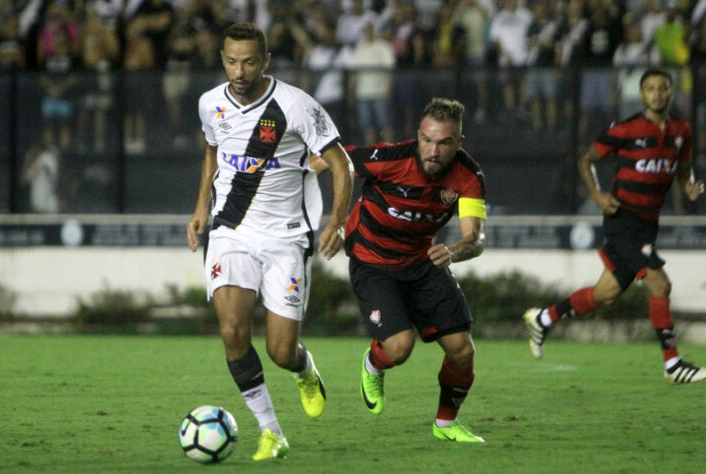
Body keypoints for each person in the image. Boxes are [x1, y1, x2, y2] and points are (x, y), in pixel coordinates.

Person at [186, 23, 352, 461]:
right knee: (232, 331)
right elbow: (211, 150)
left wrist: (337, 219)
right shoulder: (209, 103)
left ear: (265, 61)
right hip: (230, 231)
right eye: (230, 61)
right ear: (222, 58)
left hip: (286, 239)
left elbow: (341, 164)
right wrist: (202, 206)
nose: (239, 71)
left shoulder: (295, 106)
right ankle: (270, 431)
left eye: (248, 62)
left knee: (281, 351)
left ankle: (305, 368)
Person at [312, 97, 488, 443]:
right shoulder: (390, 158)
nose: (433, 150)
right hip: (372, 260)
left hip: (424, 261)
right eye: (427, 139)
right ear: (417, 135)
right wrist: (328, 215)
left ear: (459, 143)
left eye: (443, 142)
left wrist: (454, 251)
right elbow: (334, 162)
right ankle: (373, 365)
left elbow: (475, 239)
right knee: (399, 347)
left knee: (462, 349)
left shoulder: (468, 177)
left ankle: (446, 424)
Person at [523, 67, 706, 385]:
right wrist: (597, 194)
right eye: (651, 88)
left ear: (670, 92)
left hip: (648, 225)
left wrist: (688, 185)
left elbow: (682, 166)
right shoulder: (627, 129)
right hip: (623, 219)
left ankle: (543, 317)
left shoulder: (681, 131)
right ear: (642, 93)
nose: (657, 93)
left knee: (604, 294)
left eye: (663, 88)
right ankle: (673, 364)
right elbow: (586, 159)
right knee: (660, 284)